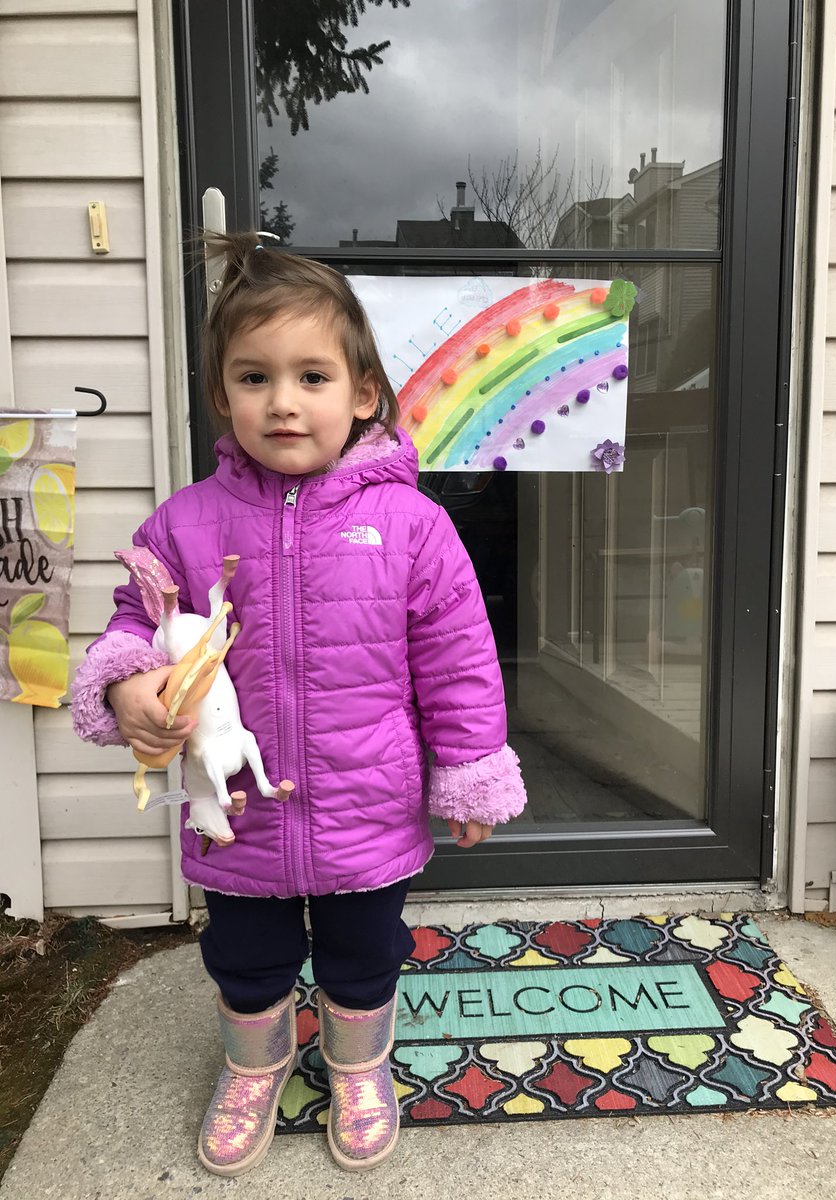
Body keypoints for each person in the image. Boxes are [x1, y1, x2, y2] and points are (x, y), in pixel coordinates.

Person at [70, 232, 527, 1178]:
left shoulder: (412, 525)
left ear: (363, 394)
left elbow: (458, 660)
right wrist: (125, 687)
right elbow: (133, 621)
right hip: (237, 818)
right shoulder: (183, 524)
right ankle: (258, 1060)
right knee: (245, 955)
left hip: (367, 803)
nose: (282, 401)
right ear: (221, 397)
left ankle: (358, 1066)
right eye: (253, 377)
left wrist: (470, 777)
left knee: (365, 951)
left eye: (312, 375)